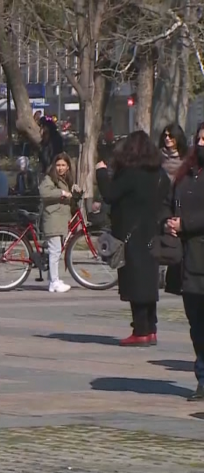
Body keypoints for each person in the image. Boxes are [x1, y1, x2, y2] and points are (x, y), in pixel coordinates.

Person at [96, 130, 169, 347]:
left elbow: (110, 194)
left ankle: (140, 330)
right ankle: (151, 328)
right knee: (149, 281)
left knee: (134, 282)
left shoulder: (129, 173)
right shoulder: (159, 174)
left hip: (131, 234)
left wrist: (101, 173)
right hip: (152, 231)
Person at [163, 122, 204, 400]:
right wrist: (168, 222)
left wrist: (186, 224)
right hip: (189, 263)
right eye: (200, 139)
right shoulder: (185, 175)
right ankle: (202, 378)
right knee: (197, 324)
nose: (202, 144)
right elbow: (167, 203)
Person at [39, 153, 77, 293]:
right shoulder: (50, 178)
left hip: (60, 219)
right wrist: (62, 192)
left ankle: (53, 278)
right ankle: (54, 282)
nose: (60, 168)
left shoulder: (66, 179)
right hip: (53, 218)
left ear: (68, 167)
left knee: (56, 251)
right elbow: (44, 193)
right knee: (55, 251)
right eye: (58, 165)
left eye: (63, 165)